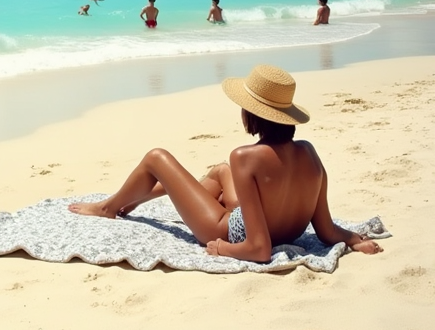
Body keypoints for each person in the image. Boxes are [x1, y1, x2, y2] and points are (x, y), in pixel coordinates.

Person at [67, 64, 383, 262]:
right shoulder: (309, 152)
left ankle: (110, 207)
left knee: (156, 157)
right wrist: (353, 240)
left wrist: (222, 248)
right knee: (220, 171)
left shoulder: (245, 158)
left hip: (229, 230)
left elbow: (258, 249)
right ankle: (140, 196)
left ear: (251, 114)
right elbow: (326, 230)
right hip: (283, 228)